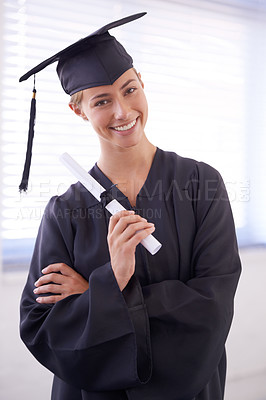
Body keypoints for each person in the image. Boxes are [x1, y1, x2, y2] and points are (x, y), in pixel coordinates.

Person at [19, 12, 241, 400]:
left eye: (129, 89)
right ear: (79, 110)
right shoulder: (65, 211)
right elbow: (40, 324)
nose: (123, 112)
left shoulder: (200, 185)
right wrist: (114, 280)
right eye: (102, 101)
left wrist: (100, 292)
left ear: (142, 83)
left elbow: (213, 306)